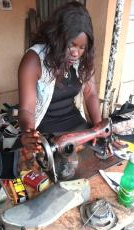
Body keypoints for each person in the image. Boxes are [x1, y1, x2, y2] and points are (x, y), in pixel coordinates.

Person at [18, 1, 101, 150]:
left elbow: (90, 94)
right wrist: (29, 133)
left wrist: (99, 127)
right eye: (71, 45)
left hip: (77, 128)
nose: (76, 53)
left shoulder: (82, 59)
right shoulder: (33, 60)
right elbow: (26, 109)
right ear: (58, 37)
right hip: (48, 132)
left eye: (82, 47)